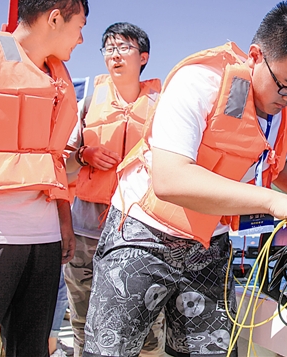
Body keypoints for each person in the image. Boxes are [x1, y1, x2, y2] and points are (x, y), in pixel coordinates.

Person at [83, 0, 287, 357]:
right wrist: (274, 201)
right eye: (286, 87)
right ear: (255, 56)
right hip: (143, 234)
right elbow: (170, 179)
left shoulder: (281, 105)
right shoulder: (200, 82)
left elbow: (271, 159)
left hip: (209, 245)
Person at [0, 0, 88, 357]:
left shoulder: (58, 82)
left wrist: (64, 219)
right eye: (79, 27)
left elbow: (52, 163)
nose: (80, 39)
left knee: (31, 349)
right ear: (54, 19)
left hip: (45, 242)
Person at [64, 22, 164, 357]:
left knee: (145, 325)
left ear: (143, 57)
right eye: (109, 48)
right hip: (86, 230)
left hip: (139, 232)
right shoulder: (88, 101)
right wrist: (83, 153)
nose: (114, 55)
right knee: (83, 321)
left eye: (124, 47)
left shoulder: (162, 107)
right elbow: (61, 164)